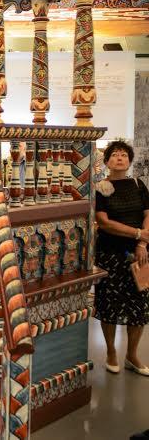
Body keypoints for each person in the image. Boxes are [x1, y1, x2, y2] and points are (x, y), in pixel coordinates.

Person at [94, 140, 149, 376]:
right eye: (115, 154)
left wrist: (143, 242)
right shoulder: (101, 187)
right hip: (111, 254)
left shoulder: (138, 185)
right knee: (110, 304)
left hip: (141, 254)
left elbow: (148, 215)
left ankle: (132, 355)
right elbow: (104, 222)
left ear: (129, 160)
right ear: (106, 161)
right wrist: (137, 233)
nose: (120, 158)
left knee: (140, 305)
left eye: (124, 155)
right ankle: (111, 352)